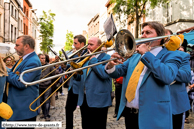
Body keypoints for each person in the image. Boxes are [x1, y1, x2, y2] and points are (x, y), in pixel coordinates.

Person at [105, 21, 183, 129]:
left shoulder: (171, 55)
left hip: (153, 116)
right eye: (142, 32)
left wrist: (146, 54)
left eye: (148, 32)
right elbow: (119, 71)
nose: (143, 35)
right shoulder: (135, 56)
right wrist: (110, 65)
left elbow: (168, 76)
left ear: (160, 37)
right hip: (130, 114)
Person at [4, 35, 41, 128]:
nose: (15, 47)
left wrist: (4, 70)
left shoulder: (33, 61)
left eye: (17, 45)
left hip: (24, 110)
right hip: (17, 107)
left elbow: (21, 82)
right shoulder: (23, 58)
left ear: (26, 46)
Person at [75, 37, 112, 129]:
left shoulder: (107, 58)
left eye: (91, 45)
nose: (88, 47)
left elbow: (104, 74)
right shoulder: (86, 58)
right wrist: (75, 73)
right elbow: (83, 77)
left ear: (99, 46)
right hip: (85, 100)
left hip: (99, 101)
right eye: (88, 44)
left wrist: (93, 60)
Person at [165, 29, 191, 129]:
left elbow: (186, 76)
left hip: (175, 103)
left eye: (167, 39)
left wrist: (164, 69)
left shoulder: (182, 55)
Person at [65, 34, 87, 129]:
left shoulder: (87, 54)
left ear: (82, 44)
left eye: (75, 43)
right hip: (72, 86)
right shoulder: (76, 54)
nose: (74, 45)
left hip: (81, 87)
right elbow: (68, 67)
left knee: (84, 111)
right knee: (68, 109)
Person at [38, 54, 56, 121]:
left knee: (47, 101)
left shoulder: (49, 66)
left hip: (47, 85)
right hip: (40, 85)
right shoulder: (37, 66)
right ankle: (43, 113)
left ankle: (47, 115)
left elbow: (55, 73)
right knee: (41, 100)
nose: (43, 60)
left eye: (44, 58)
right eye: (41, 58)